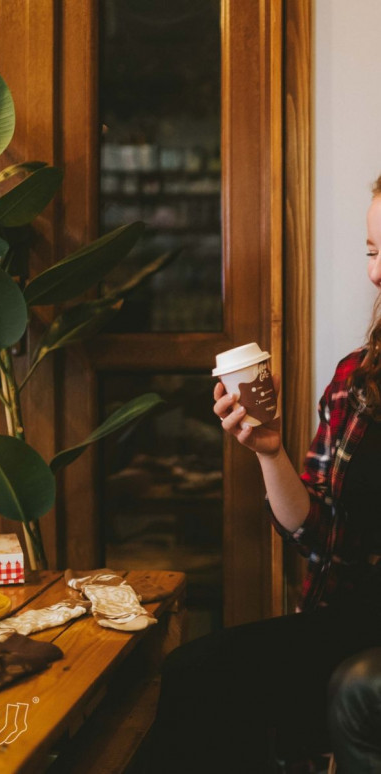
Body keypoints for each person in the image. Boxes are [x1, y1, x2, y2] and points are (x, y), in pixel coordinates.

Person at [146, 178, 381, 774]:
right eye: (372, 252)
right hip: (355, 617)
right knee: (193, 676)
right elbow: (321, 538)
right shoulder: (358, 381)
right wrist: (269, 452)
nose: (375, 274)